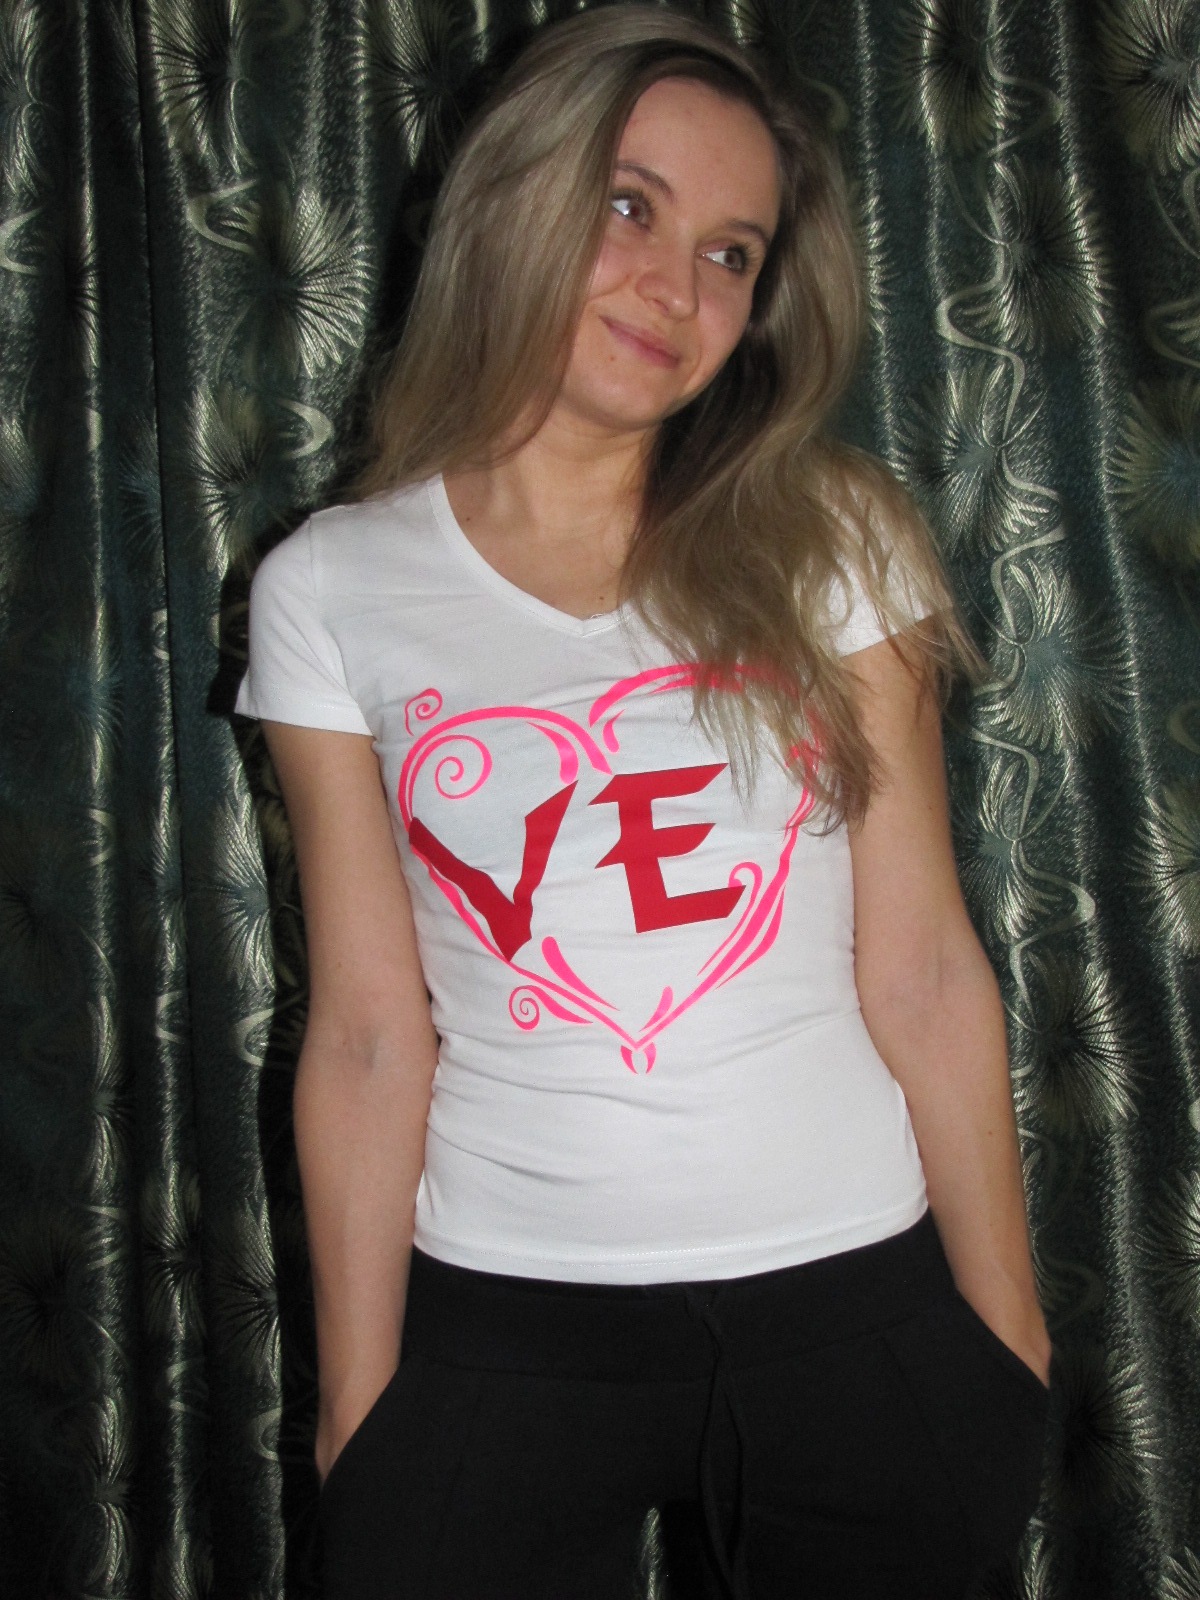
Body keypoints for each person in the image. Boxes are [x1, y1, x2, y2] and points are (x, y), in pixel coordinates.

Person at [235, 8, 1051, 1598]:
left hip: (857, 1300)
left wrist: (1004, 1334)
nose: (678, 290)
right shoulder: (330, 585)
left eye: (731, 253)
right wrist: (358, 1408)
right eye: (631, 207)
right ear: (515, 199)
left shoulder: (832, 533)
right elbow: (368, 1032)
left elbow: (925, 967)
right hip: (499, 1320)